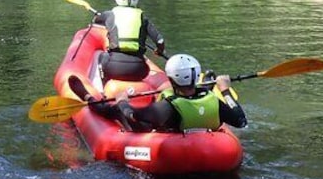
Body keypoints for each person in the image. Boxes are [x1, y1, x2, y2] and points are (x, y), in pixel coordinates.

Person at [71, 53, 247, 133]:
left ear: (171, 79)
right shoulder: (215, 102)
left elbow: (133, 115)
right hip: (205, 138)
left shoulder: (166, 107)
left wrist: (123, 101)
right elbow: (241, 121)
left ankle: (88, 97)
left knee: (116, 110)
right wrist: (224, 90)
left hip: (171, 140)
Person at [91, 0, 165, 82]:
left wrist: (99, 15)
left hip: (114, 68)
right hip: (139, 70)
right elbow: (160, 41)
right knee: (144, 64)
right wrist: (159, 50)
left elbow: (95, 20)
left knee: (102, 57)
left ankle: (105, 85)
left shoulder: (110, 14)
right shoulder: (143, 18)